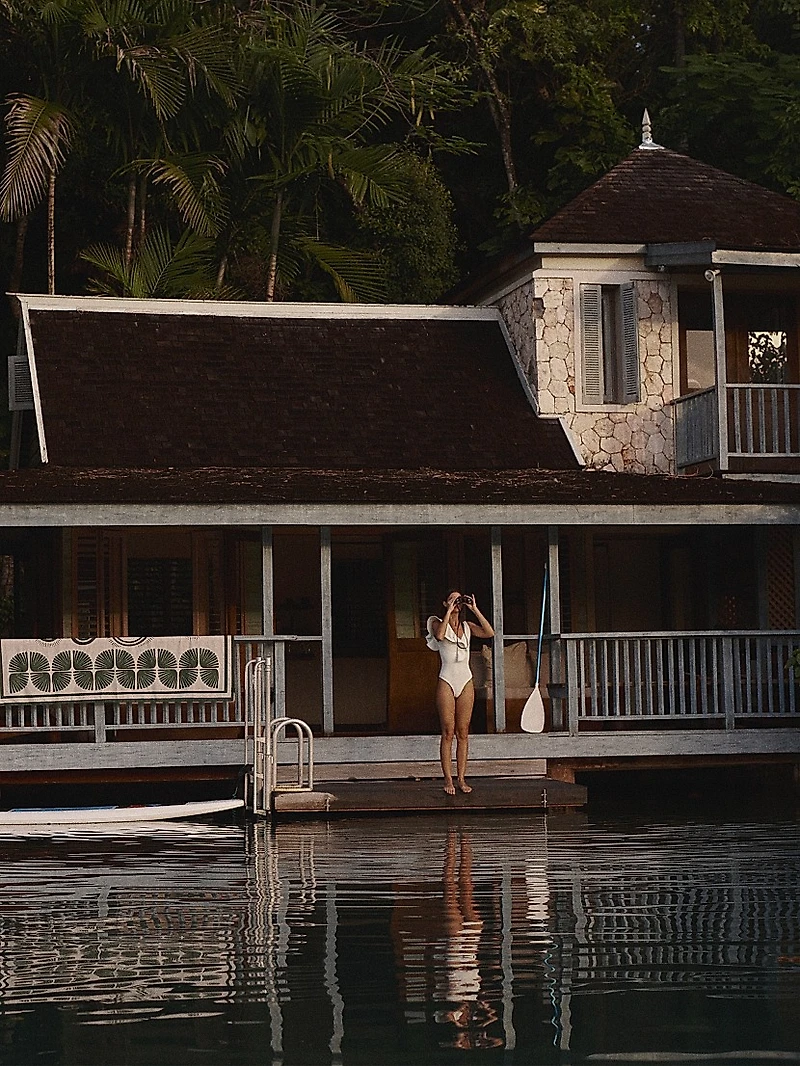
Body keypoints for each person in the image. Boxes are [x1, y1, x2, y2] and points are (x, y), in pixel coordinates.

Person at [426, 590, 494, 795]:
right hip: (447, 679)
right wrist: (449, 611)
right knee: (448, 731)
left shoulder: (467, 627)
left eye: (459, 600)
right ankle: (448, 779)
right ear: (445, 602)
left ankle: (462, 779)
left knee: (463, 732)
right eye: (453, 599)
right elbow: (439, 636)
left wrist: (474, 608)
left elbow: (489, 633)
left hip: (465, 680)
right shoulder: (437, 622)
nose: (457, 603)